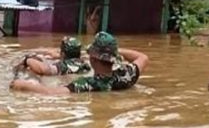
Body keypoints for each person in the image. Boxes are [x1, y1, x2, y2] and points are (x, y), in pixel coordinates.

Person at [10, 32, 148, 94]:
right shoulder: (128, 75)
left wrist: (23, 85)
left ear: (93, 60)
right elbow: (143, 57)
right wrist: (115, 51)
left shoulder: (88, 84)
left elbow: (51, 92)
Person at [15, 37, 91, 76]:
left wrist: (27, 60)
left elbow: (44, 70)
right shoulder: (84, 63)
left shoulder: (63, 66)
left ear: (63, 54)